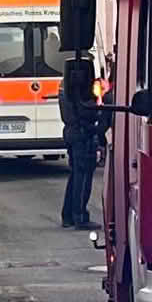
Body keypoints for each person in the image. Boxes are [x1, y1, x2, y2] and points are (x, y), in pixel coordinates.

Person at [58, 56, 106, 239]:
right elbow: (88, 110)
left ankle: (69, 214)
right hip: (81, 133)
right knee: (83, 174)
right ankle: (79, 215)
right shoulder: (78, 89)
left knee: (76, 173)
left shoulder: (66, 86)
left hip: (72, 132)